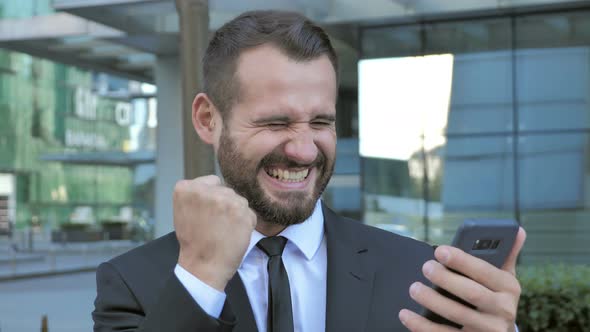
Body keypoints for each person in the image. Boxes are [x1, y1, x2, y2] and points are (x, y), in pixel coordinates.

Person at [92, 10, 526, 332]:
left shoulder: (422, 276)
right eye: (275, 122)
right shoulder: (132, 284)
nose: (303, 150)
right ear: (208, 119)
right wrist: (202, 277)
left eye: (321, 123)